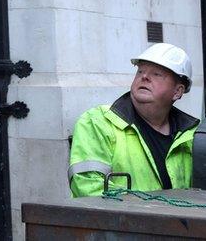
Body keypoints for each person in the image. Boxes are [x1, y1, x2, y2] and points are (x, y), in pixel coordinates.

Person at [68, 43, 199, 197]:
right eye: (140, 71)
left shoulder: (192, 135)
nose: (144, 77)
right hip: (119, 220)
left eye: (157, 74)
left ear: (177, 91)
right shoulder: (98, 122)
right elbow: (88, 185)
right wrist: (150, 210)